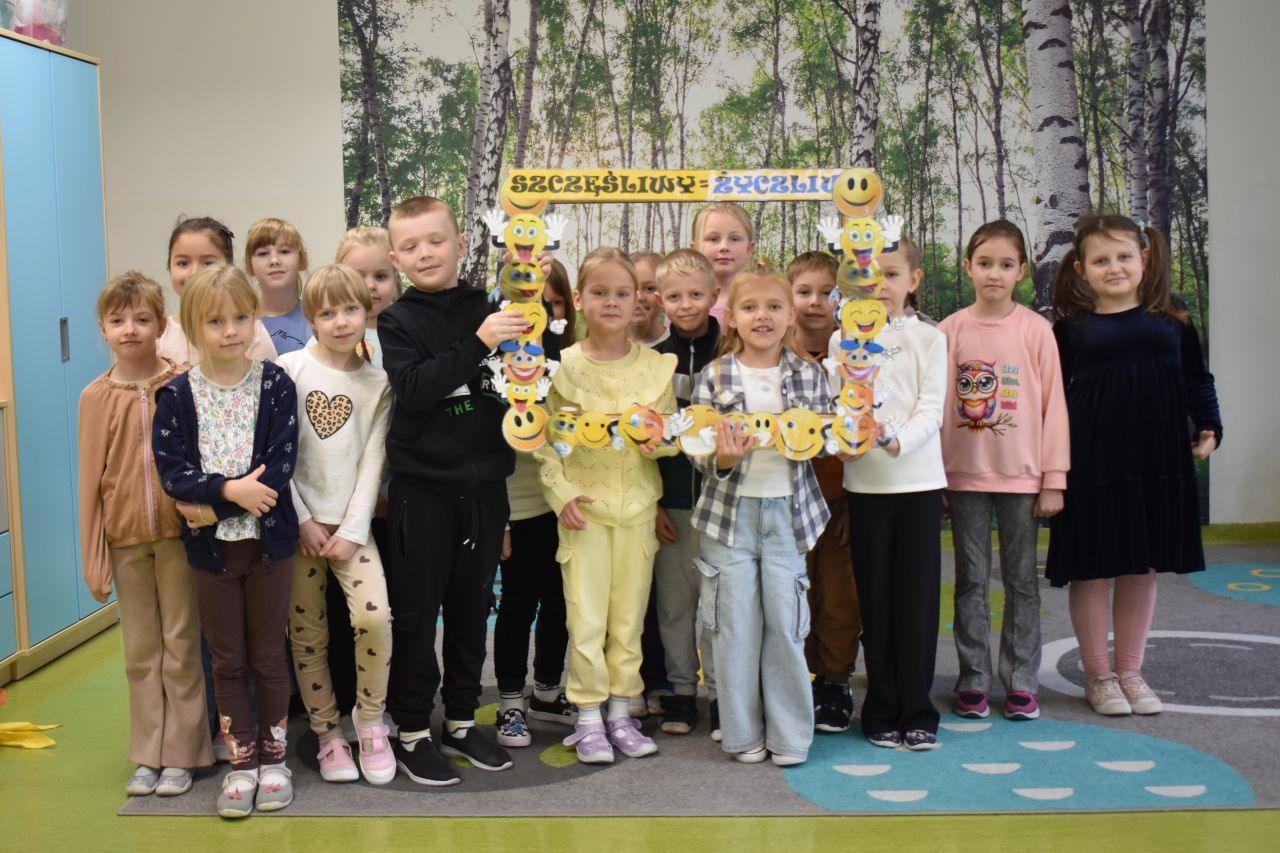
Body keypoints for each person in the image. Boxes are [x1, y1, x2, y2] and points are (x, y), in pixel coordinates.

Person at [378, 195, 528, 786]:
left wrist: (526, 299)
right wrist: (479, 343)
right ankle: (413, 729)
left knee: (472, 611)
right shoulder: (397, 321)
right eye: (411, 246)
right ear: (395, 259)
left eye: (436, 240)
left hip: (485, 491)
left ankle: (461, 722)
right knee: (417, 616)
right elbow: (415, 389)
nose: (426, 253)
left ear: (461, 243)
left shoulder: (491, 305)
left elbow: (527, 368)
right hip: (422, 494)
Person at [1048, 213, 1221, 716]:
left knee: (1141, 565)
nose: (1114, 267)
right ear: (1081, 269)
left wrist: (1209, 425)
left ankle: (1130, 671)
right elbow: (1050, 400)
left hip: (1155, 458)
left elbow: (1197, 378)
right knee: (1092, 567)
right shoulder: (1070, 330)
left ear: (1144, 258)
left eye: (1124, 256)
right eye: (1101, 260)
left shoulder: (1173, 319)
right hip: (1093, 462)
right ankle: (1098, 676)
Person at [151, 264, 300, 817]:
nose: (231, 330)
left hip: (269, 547)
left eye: (240, 317)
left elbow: (281, 465)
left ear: (254, 317)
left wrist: (210, 505)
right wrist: (229, 492)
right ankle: (241, 762)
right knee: (228, 658)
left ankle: (275, 759)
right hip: (211, 555)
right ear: (192, 326)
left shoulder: (276, 384)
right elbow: (174, 474)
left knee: (268, 655)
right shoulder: (175, 397)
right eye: (215, 321)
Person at [535, 247, 678, 764]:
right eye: (600, 292)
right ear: (579, 299)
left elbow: (669, 436)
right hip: (584, 515)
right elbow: (543, 443)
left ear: (638, 299)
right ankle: (589, 717)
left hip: (637, 512)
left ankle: (621, 712)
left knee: (628, 620)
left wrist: (658, 442)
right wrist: (561, 495)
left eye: (622, 293)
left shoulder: (657, 368)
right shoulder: (560, 368)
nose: (612, 302)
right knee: (586, 619)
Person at [690, 260, 832, 766]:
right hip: (728, 520)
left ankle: (790, 735)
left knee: (787, 627)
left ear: (790, 314)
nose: (763, 316)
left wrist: (819, 437)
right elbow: (698, 448)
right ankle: (741, 732)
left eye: (774, 306)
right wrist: (723, 459)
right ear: (731, 317)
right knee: (733, 629)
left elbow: (824, 440)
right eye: (750, 307)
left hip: (788, 518)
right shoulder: (715, 376)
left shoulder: (809, 375)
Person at [78, 271, 211, 798]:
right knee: (139, 650)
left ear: (161, 325)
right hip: (125, 538)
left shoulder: (184, 384)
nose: (129, 329)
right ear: (102, 329)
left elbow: (202, 457)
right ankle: (147, 754)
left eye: (141, 319)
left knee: (181, 644)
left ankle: (182, 753)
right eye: (117, 320)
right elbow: (90, 480)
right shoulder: (95, 397)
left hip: (179, 537)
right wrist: (93, 556)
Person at [939, 220, 1069, 721]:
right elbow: (935, 411)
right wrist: (937, 478)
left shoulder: (1036, 331)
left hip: (1023, 479)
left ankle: (1020, 681)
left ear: (1022, 272)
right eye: (985, 263)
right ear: (968, 267)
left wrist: (1053, 479)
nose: (994, 273)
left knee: (1021, 582)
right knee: (970, 581)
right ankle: (973, 678)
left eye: (1006, 264)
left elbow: (1054, 409)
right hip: (962, 478)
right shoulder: (948, 332)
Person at [278, 265, 395, 784]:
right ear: (311, 318)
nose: (341, 321)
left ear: (366, 312)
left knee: (375, 619)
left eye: (350, 309)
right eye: (327, 313)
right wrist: (303, 520)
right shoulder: (288, 370)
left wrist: (351, 529)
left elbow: (373, 460)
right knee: (308, 635)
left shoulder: (378, 383)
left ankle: (369, 723)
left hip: (353, 529)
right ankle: (328, 734)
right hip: (301, 530)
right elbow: (277, 456)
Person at [831, 236, 947, 751]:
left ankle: (918, 709)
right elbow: (839, 407)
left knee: (916, 603)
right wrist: (848, 443)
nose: (878, 285)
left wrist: (892, 440)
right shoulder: (841, 340)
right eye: (867, 275)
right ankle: (879, 708)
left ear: (913, 281)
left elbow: (932, 408)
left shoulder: (929, 338)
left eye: (892, 274)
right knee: (874, 602)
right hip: (865, 486)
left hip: (919, 485)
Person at [492, 260, 576, 748]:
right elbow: (489, 447)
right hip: (517, 507)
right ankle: (509, 700)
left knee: (560, 601)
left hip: (563, 507)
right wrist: (498, 518)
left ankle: (546, 689)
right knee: (518, 603)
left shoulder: (571, 363)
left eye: (553, 303)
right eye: (530, 303)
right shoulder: (500, 368)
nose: (542, 312)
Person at [789, 251, 861, 733]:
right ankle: (791, 679)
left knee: (839, 598)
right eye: (804, 292)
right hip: (787, 499)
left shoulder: (855, 356)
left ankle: (834, 681)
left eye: (827, 292)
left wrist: (857, 500)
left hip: (839, 499)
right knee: (791, 596)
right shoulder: (772, 354)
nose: (816, 302)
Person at [652, 249, 721, 736]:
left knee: (718, 609)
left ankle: (719, 691)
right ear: (661, 300)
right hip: (672, 506)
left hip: (723, 507)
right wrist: (655, 502)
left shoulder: (734, 354)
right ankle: (680, 690)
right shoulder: (653, 361)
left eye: (696, 294)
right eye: (675, 296)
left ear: (714, 295)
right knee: (675, 605)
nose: (686, 304)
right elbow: (642, 441)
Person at [156, 216, 276, 366]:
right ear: (169, 266)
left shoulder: (252, 331)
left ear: (229, 267)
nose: (194, 273)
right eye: (183, 263)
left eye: (208, 263)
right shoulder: (160, 334)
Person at [246, 217, 311, 355]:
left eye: (284, 251)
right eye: (263, 253)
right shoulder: (239, 324)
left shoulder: (318, 319)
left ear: (302, 260)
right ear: (249, 265)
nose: (274, 260)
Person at [691, 202, 755, 324]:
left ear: (749, 249)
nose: (724, 247)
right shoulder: (684, 304)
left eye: (734, 239)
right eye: (713, 239)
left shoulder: (762, 299)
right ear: (695, 249)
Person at [629, 250, 669, 347]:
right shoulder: (605, 347)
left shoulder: (680, 348)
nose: (639, 297)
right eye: (630, 288)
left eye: (649, 289)